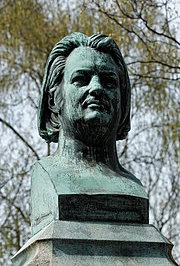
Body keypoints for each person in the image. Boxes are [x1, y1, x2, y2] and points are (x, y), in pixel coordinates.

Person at [31, 33, 147, 235]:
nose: (96, 88)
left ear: (123, 100)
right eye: (81, 79)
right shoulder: (48, 177)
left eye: (109, 81)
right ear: (53, 100)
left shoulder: (134, 187)